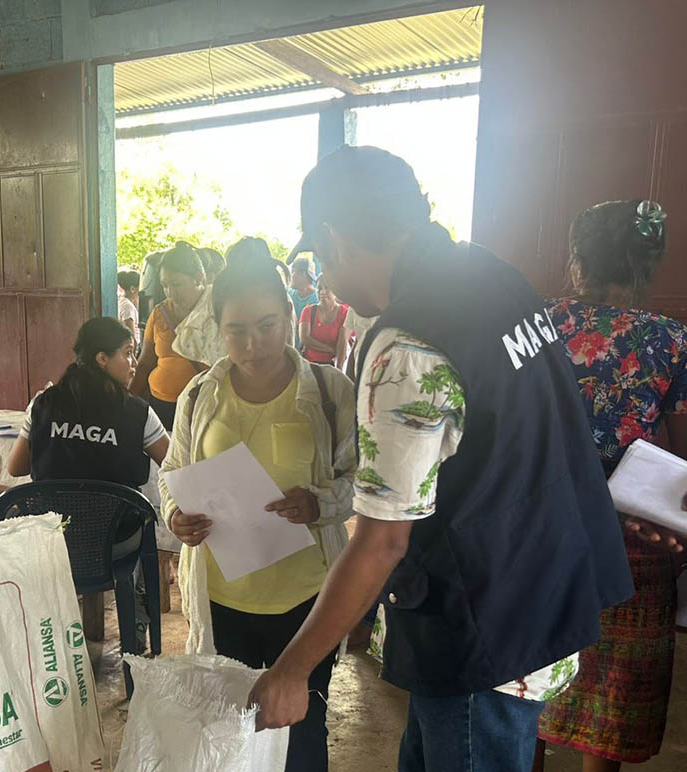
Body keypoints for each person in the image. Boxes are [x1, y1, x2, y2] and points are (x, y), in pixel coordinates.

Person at [247, 145, 633, 772]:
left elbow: (382, 541)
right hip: (547, 583)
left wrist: (293, 669)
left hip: (483, 628)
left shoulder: (406, 347)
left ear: (335, 239)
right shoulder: (492, 275)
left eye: (320, 258)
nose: (326, 277)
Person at [158, 256, 356, 772]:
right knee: (230, 731)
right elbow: (172, 470)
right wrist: (177, 514)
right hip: (224, 598)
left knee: (303, 730)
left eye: (267, 326)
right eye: (237, 331)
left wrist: (320, 503)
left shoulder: (330, 391)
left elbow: (361, 481)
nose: (253, 344)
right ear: (218, 330)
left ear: (289, 315)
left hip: (306, 598)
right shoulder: (200, 394)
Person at [535, 200, 687, 772]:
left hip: (537, 527)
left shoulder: (535, 326)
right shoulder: (670, 339)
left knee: (526, 680)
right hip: (632, 541)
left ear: (577, 259)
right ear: (644, 267)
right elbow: (680, 457)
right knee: (610, 699)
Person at [8, 316, 169, 485]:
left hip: (51, 504)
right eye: (128, 353)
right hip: (116, 504)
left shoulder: (45, 403)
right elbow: (174, 466)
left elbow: (16, 467)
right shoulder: (138, 413)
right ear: (102, 359)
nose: (134, 363)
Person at [130, 243, 209, 430]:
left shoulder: (215, 311)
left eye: (176, 284)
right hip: (160, 404)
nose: (170, 292)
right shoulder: (160, 313)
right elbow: (145, 363)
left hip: (200, 406)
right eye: (165, 285)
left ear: (198, 278)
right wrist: (128, 401)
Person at [299, 274, 350, 368]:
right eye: (319, 288)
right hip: (309, 365)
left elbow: (342, 345)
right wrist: (330, 349)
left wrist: (338, 369)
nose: (322, 292)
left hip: (331, 365)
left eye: (326, 288)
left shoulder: (344, 313)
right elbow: (305, 339)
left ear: (335, 290)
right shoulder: (308, 311)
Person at [117, 269, 141, 352]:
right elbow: (131, 337)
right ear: (132, 289)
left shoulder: (124, 302)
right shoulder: (127, 306)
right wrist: (132, 357)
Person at [288, 255, 318, 322]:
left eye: (292, 271)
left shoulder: (317, 300)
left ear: (303, 274)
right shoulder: (288, 295)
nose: (290, 276)